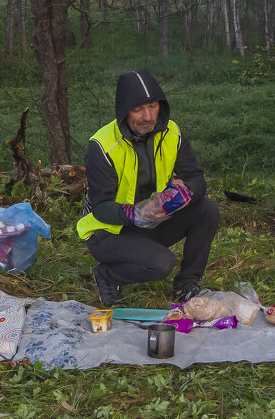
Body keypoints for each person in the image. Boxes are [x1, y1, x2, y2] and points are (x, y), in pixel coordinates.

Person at [77, 69, 220, 306]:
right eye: (138, 109)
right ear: (123, 111)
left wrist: (184, 194)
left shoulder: (172, 133)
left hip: (152, 219)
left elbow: (196, 178)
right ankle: (107, 275)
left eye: (153, 106)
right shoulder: (101, 146)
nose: (148, 117)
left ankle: (186, 285)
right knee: (161, 264)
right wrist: (137, 214)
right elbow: (101, 208)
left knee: (207, 209)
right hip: (108, 231)